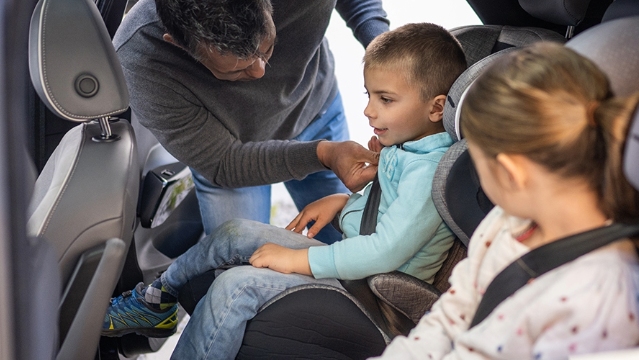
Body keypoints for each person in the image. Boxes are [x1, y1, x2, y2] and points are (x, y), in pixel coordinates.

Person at [102, 23, 468, 359]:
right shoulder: (407, 146)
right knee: (235, 231)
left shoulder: (429, 172)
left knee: (236, 286)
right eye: (368, 95)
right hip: (356, 268)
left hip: (377, 295)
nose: (369, 110)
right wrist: (342, 203)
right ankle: (156, 301)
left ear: (437, 108)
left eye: (385, 100)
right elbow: (388, 211)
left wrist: (298, 261)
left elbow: (385, 250)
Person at [372, 42, 639, 359]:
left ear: (511, 173)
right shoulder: (504, 223)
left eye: (477, 165)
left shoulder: (600, 301)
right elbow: (452, 315)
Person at [113, 0, 391, 244]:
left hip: (315, 109)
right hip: (235, 154)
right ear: (178, 42)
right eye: (237, 69)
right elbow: (225, 162)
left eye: (266, 48)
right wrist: (325, 154)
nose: (260, 72)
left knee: (353, 236)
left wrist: (386, 51)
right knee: (237, 264)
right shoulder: (140, 61)